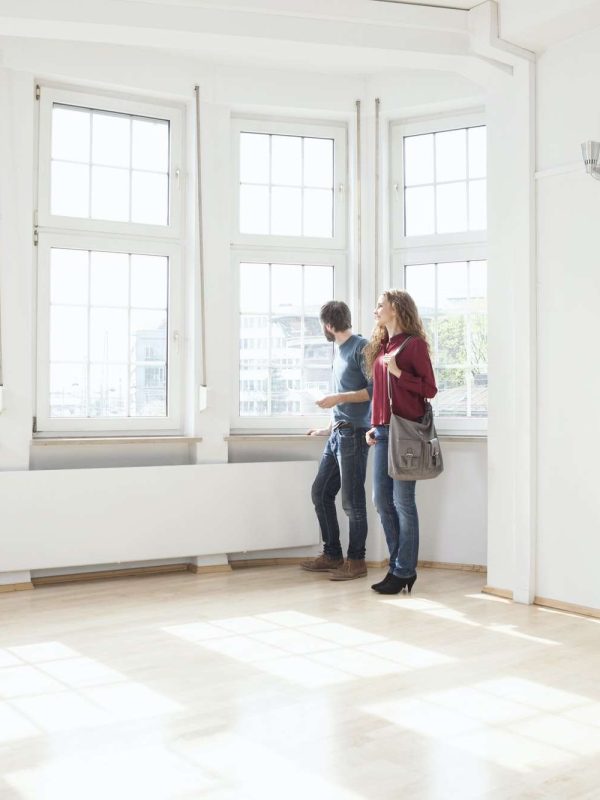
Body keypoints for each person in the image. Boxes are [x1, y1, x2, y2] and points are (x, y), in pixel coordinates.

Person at [364, 290, 437, 595]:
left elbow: (430, 389)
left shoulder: (413, 345)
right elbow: (380, 392)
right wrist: (373, 424)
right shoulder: (383, 345)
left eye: (380, 305)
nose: (376, 310)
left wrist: (399, 372)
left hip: (405, 432)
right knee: (382, 501)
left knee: (403, 502)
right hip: (382, 431)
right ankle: (399, 565)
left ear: (396, 309)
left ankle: (403, 570)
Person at [300, 301, 373, 581]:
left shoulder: (361, 347)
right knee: (320, 492)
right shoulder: (339, 351)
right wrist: (327, 427)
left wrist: (336, 398)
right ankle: (332, 554)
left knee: (353, 502)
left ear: (328, 326)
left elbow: (373, 391)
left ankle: (356, 562)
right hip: (338, 433)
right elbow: (342, 397)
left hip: (354, 435)